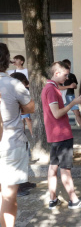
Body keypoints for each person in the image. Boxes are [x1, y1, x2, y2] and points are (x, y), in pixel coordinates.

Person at [41, 61, 81, 210]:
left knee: (53, 166)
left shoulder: (50, 87)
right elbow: (57, 113)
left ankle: (53, 199)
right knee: (65, 168)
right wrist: (73, 103)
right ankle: (74, 200)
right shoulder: (51, 89)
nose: (67, 78)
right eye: (65, 75)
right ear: (56, 73)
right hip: (61, 133)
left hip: (55, 133)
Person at [0, 43, 34, 227]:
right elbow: (31, 107)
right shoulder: (13, 83)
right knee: (8, 195)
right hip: (10, 143)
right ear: (7, 60)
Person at [8, 72, 37, 196]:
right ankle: (17, 187)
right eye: (24, 85)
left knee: (24, 156)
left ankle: (23, 182)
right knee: (15, 160)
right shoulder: (12, 89)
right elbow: (30, 108)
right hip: (10, 133)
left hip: (17, 130)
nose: (26, 88)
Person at [61, 59, 81, 135]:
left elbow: (75, 86)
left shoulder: (72, 75)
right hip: (62, 97)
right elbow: (58, 87)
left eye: (69, 65)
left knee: (77, 112)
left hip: (71, 95)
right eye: (67, 65)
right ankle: (63, 131)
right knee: (62, 114)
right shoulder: (60, 76)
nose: (69, 66)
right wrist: (69, 86)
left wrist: (73, 86)